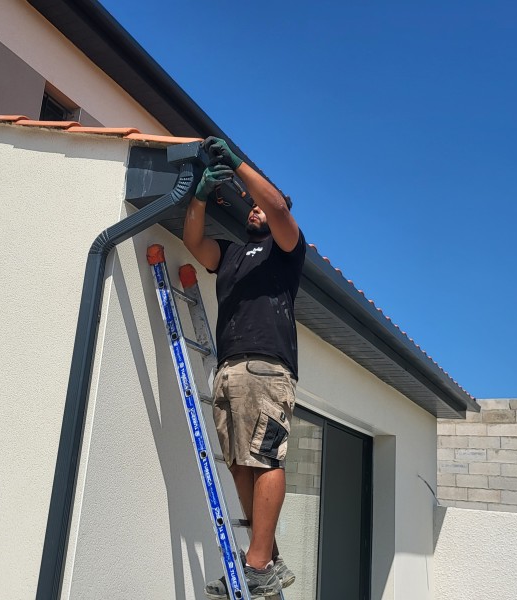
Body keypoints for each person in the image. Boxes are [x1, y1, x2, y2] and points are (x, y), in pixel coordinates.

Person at [183, 137, 306, 599]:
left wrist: (238, 165)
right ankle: (267, 562)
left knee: (265, 457)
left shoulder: (286, 249)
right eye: (250, 207)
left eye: (261, 206)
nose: (255, 209)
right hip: (230, 368)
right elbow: (193, 241)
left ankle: (255, 564)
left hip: (266, 368)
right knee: (240, 466)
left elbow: (275, 203)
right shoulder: (232, 254)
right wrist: (198, 194)